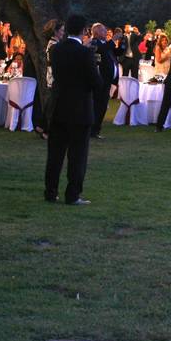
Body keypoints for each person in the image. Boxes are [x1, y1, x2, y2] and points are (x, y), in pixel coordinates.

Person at [44, 14, 101, 205]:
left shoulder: (56, 50)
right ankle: (73, 194)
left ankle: (51, 191)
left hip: (59, 105)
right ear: (84, 30)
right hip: (79, 109)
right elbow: (95, 82)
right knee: (77, 156)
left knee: (55, 154)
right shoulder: (85, 53)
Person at [89, 23, 117, 140]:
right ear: (97, 32)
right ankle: (93, 130)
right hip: (100, 79)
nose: (106, 33)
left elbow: (113, 52)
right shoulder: (94, 42)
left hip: (107, 80)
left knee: (103, 105)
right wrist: (113, 40)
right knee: (98, 105)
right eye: (104, 31)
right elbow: (102, 51)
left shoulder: (105, 43)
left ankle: (96, 129)